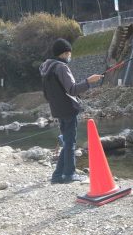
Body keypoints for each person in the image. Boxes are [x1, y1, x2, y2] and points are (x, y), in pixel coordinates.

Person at [40, 38, 103, 184]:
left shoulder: (46, 67)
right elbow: (72, 89)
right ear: (65, 53)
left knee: (67, 141)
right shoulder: (61, 67)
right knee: (70, 142)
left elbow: (46, 94)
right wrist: (89, 81)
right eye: (69, 53)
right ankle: (69, 174)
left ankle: (57, 176)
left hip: (57, 109)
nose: (70, 56)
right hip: (68, 109)